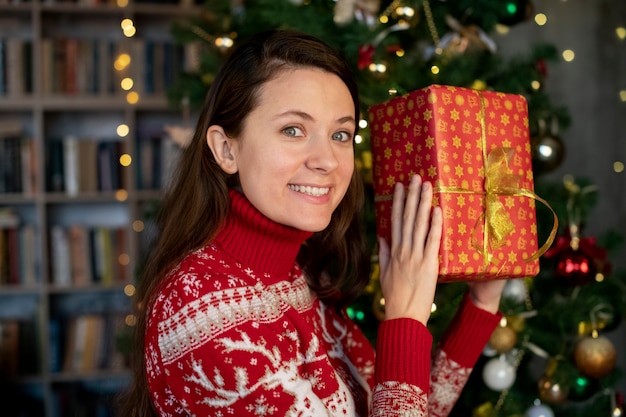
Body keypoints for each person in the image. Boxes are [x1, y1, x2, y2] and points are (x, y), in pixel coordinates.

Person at [118, 29, 506, 417]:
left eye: (340, 134)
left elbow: (407, 405)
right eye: (293, 130)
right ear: (225, 149)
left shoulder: (294, 275)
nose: (328, 160)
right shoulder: (201, 313)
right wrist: (404, 318)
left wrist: (481, 304)